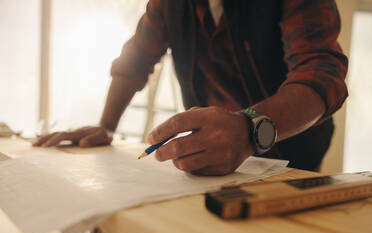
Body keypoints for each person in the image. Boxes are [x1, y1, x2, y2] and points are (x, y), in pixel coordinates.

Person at [34, 0, 348, 176]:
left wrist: (249, 128)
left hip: (293, 158)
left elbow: (321, 73)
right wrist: (105, 126)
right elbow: (136, 57)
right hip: (209, 164)